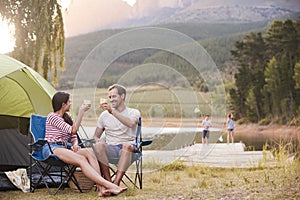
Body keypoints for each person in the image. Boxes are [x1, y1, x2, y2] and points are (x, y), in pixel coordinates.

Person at [42, 91, 126, 197]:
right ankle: (110, 185)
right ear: (63, 104)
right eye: (69, 102)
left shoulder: (67, 118)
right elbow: (73, 130)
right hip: (52, 148)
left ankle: (101, 189)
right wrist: (81, 112)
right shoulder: (52, 117)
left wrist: (75, 143)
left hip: (65, 147)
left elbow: (73, 136)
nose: (70, 104)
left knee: (90, 152)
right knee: (81, 160)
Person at [93, 84, 140, 186]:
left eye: (114, 96)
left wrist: (112, 112)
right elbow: (96, 136)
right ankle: (108, 182)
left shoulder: (133, 112)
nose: (111, 99)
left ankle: (116, 183)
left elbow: (131, 123)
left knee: (126, 146)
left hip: (128, 149)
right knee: (98, 146)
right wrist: (98, 141)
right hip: (111, 148)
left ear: (122, 96)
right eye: (110, 97)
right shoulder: (104, 115)